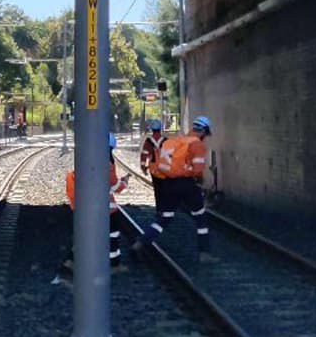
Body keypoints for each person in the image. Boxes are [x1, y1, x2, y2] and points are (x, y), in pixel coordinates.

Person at [132, 116, 215, 262]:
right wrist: (200, 181)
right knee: (200, 216)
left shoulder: (179, 140)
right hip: (187, 184)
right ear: (204, 131)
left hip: (170, 183)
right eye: (206, 134)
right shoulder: (197, 144)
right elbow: (197, 170)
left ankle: (141, 242)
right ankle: (205, 254)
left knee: (165, 218)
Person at [52, 133, 130, 285]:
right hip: (105, 210)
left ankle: (65, 271)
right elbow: (115, 186)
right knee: (112, 235)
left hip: (86, 208)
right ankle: (114, 264)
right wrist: (125, 182)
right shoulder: (107, 163)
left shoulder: (85, 159)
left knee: (85, 238)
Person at [139, 118, 166, 217]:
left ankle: (159, 210)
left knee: (158, 190)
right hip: (165, 169)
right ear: (160, 129)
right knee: (166, 189)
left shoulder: (149, 141)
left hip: (154, 169)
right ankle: (167, 208)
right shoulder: (166, 141)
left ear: (151, 129)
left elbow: (144, 154)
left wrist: (143, 167)